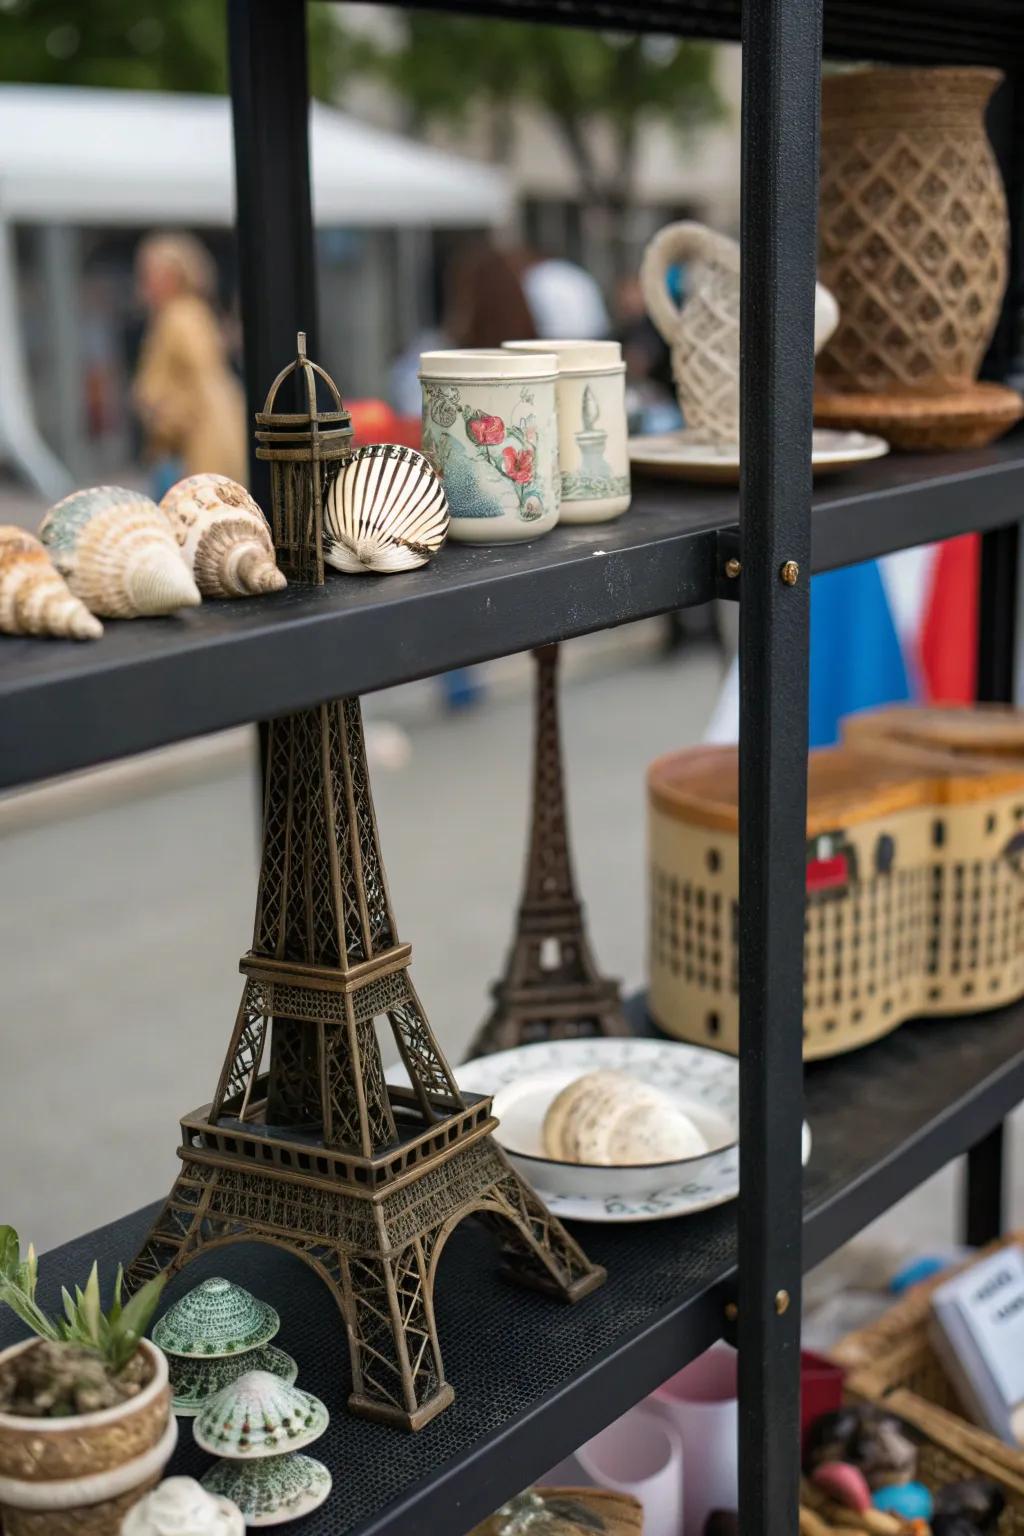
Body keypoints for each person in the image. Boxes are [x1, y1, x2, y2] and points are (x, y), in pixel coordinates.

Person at [132, 232, 248, 497]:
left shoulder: (179, 317)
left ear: (173, 276)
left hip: (192, 445)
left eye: (150, 274)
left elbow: (197, 378)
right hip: (196, 438)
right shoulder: (191, 313)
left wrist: (160, 412)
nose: (144, 283)